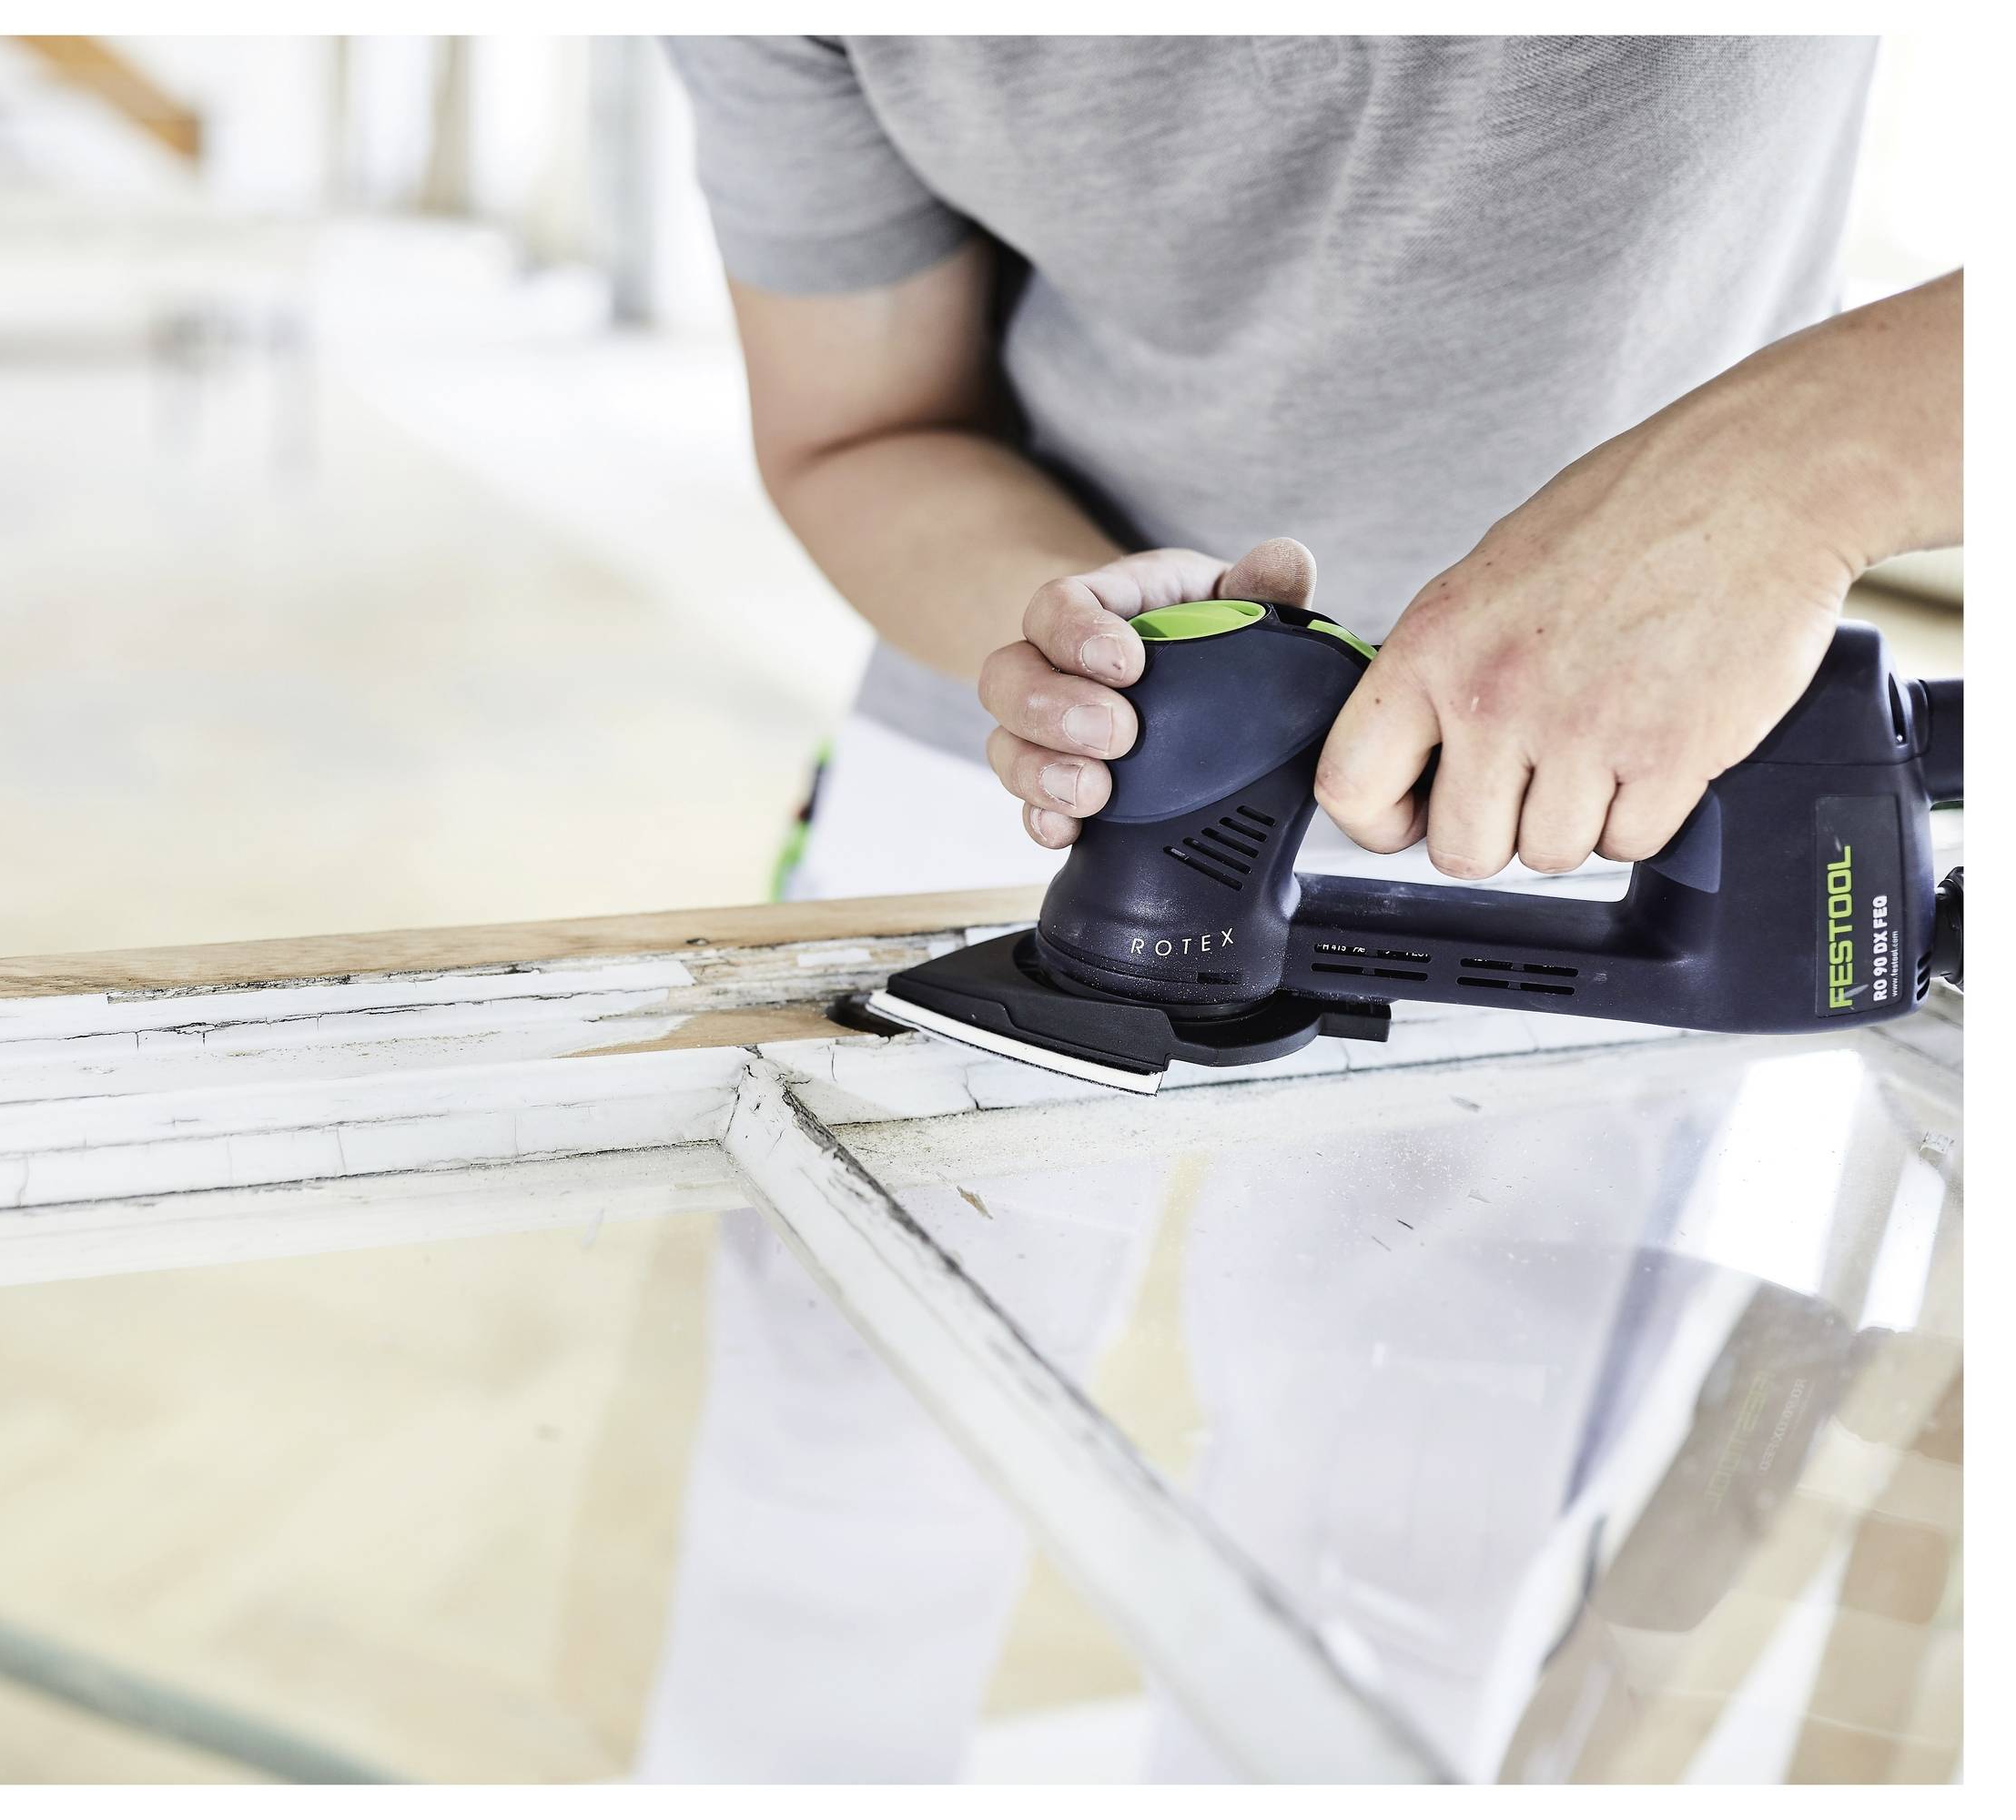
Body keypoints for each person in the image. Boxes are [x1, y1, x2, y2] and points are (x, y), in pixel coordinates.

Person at [635, 35, 1962, 1781]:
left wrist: (1793, 472)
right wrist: (1062, 643)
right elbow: (864, 423)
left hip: (1616, 754)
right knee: (834, 1462)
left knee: (1391, 1548)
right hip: (1042, 729)